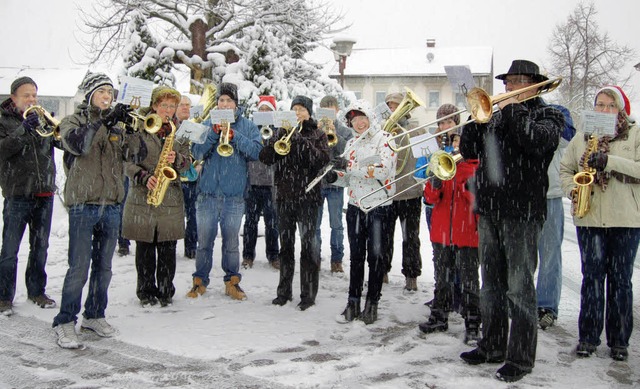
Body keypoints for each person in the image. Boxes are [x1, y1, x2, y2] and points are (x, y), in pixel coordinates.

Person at [458, 60, 564, 382]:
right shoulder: (494, 115)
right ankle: (491, 345)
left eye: (519, 81)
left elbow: (534, 143)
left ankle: (520, 357)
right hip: (490, 209)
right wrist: (476, 120)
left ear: (535, 84)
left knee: (519, 289)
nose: (511, 87)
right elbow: (468, 150)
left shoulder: (549, 115)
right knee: (491, 284)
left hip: (523, 213)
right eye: (509, 82)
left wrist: (513, 109)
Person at [559, 85, 640, 362]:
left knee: (621, 281)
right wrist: (572, 189)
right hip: (590, 218)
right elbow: (566, 168)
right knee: (592, 279)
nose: (604, 110)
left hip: (625, 220)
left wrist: (609, 161)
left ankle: (619, 341)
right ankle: (588, 337)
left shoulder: (635, 134)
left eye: (610, 105)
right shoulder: (583, 137)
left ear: (621, 109)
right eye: (600, 105)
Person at [52, 72, 131, 348]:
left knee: (104, 267)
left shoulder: (116, 126)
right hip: (83, 205)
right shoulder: (72, 121)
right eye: (101, 92)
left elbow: (135, 157)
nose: (107, 96)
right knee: (79, 267)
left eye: (110, 92)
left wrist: (131, 131)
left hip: (110, 204)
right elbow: (78, 144)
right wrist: (103, 121)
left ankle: (94, 315)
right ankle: (64, 321)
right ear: (89, 95)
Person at [188, 82, 262, 301]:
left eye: (229, 100)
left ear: (236, 104)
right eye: (221, 100)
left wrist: (234, 137)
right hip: (208, 193)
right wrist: (213, 133)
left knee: (231, 243)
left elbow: (257, 152)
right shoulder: (207, 123)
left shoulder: (247, 125)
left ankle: (232, 282)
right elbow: (197, 152)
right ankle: (199, 281)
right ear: (217, 103)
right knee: (204, 242)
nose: (225, 103)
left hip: (234, 195)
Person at [418, 107, 481, 345]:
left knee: (469, 281)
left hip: (467, 235)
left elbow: (476, 201)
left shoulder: (476, 167)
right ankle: (439, 317)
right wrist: (434, 183)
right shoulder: (443, 164)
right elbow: (431, 200)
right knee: (441, 277)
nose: (458, 146)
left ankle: (473, 323)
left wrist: (465, 182)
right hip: (442, 231)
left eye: (462, 142)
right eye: (455, 141)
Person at [328, 100, 396, 324]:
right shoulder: (351, 142)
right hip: (356, 207)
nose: (359, 122)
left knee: (376, 258)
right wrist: (335, 176)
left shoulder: (385, 139)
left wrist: (350, 168)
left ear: (371, 118)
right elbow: (349, 177)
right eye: (354, 119)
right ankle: (353, 301)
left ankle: (372, 303)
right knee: (356, 257)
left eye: (362, 117)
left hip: (378, 207)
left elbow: (383, 170)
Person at [260, 95, 330, 311]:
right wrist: (277, 140)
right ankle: (283, 292)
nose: (298, 113)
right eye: (294, 109)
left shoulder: (318, 134)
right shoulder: (282, 132)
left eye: (301, 109)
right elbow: (265, 158)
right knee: (286, 246)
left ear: (309, 112)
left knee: (308, 247)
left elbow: (321, 161)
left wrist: (299, 139)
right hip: (284, 197)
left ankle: (308, 294)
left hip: (309, 198)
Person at [122, 86, 190, 307]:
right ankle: (145, 291)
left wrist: (177, 158)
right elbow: (125, 161)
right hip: (143, 197)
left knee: (168, 249)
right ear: (154, 106)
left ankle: (165, 290)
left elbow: (188, 160)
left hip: (169, 197)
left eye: (172, 106)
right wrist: (142, 176)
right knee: (145, 249)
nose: (168, 110)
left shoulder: (180, 131)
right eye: (164, 106)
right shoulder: (139, 129)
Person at [0, 77, 59, 316]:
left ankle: (36, 290)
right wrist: (21, 131)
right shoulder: (4, 120)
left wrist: (53, 128)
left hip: (44, 192)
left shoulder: (41, 119)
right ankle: (4, 296)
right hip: (17, 193)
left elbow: (60, 143)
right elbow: (2, 150)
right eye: (26, 95)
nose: (32, 99)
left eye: (34, 95)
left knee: (40, 246)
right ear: (14, 98)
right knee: (10, 249)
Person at [537, 104, 575, 330]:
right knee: (520, 257)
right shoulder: (518, 112)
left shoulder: (557, 111)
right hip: (524, 197)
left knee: (550, 256)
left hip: (550, 195)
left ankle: (546, 306)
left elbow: (568, 138)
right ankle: (520, 302)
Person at [382, 92, 423, 290]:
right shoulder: (381, 131)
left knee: (411, 238)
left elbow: (426, 157)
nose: (392, 109)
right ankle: (382, 271)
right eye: (389, 106)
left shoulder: (416, 130)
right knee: (384, 236)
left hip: (410, 192)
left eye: (396, 105)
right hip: (387, 193)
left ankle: (411, 275)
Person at [314, 95, 352, 273]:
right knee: (315, 223)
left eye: (332, 109)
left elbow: (348, 153)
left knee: (336, 223)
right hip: (317, 182)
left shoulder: (345, 131)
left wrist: (335, 135)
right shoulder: (314, 128)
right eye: (325, 109)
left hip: (336, 182)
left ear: (337, 111)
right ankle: (315, 256)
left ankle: (337, 259)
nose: (329, 113)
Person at [242, 95, 280, 270]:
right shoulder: (250, 129)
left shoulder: (279, 130)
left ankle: (273, 255)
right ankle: (248, 255)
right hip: (252, 180)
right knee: (250, 221)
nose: (264, 113)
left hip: (272, 182)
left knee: (272, 223)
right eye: (262, 110)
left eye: (268, 110)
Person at [176, 95, 198, 259]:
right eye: (182, 105)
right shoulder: (169, 126)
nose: (185, 108)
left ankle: (191, 248)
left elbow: (199, 150)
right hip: (174, 179)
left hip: (191, 179)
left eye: (188, 105)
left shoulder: (195, 126)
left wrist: (199, 163)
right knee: (174, 215)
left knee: (192, 216)